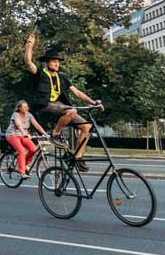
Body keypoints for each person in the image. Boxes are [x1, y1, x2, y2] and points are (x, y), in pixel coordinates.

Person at [25, 32, 101, 169]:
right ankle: (55, 134)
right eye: (54, 61)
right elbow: (29, 63)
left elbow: (77, 92)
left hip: (61, 107)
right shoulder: (41, 74)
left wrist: (93, 102)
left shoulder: (63, 77)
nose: (57, 64)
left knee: (86, 126)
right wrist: (29, 47)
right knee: (71, 110)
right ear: (47, 62)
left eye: (58, 62)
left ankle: (78, 157)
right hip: (44, 106)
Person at [6, 100, 47, 179]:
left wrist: (45, 134)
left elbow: (37, 125)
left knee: (33, 149)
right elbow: (18, 125)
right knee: (22, 151)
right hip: (12, 135)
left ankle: (25, 164)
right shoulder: (15, 115)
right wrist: (24, 133)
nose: (26, 108)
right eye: (24, 107)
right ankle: (22, 172)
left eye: (27, 107)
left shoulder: (29, 115)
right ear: (19, 108)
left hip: (23, 136)